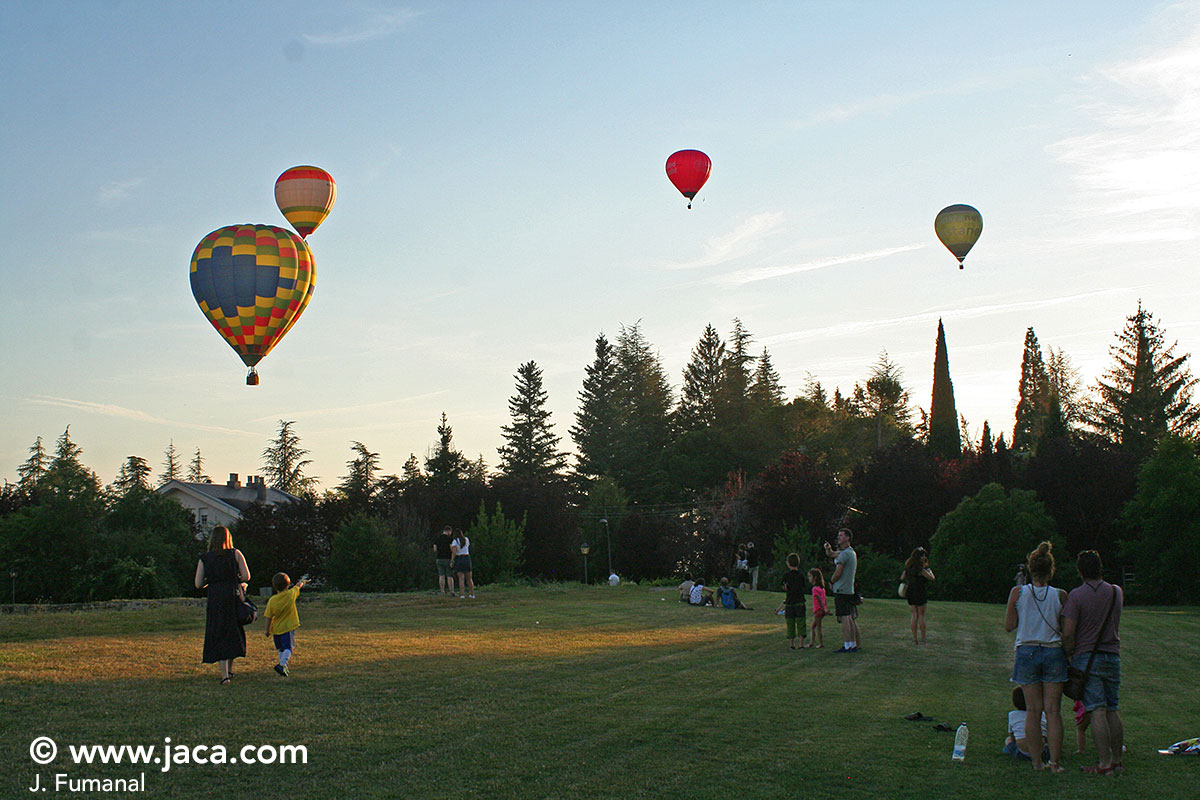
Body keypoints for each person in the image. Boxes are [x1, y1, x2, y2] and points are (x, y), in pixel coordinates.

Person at [1004, 540, 1068, 773]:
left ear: (1031, 570)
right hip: (1052, 651)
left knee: (1032, 710)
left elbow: (1009, 626)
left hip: (1027, 650)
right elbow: (1064, 629)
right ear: (1051, 570)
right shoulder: (1060, 595)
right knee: (1053, 711)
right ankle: (1055, 763)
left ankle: (1036, 762)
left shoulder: (1018, 593)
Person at [1062, 550, 1124, 776]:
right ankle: (1117, 760)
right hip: (1112, 655)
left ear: (1080, 572)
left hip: (1087, 658)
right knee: (1112, 709)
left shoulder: (1076, 596)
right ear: (1100, 567)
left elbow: (1068, 633)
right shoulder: (1116, 592)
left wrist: (1069, 654)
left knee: (1096, 710)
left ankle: (1104, 763)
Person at [194, 526, 250, 685]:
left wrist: (211, 580)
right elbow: (246, 576)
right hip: (232, 595)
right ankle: (230, 670)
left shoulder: (205, 558)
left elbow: (198, 583)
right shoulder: (235, 554)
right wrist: (236, 580)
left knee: (218, 632)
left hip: (215, 597)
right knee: (232, 631)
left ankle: (225, 674)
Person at [264, 572, 307, 677]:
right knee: (288, 648)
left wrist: (267, 630)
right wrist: (303, 581)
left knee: (281, 649)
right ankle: (282, 664)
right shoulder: (290, 594)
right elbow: (298, 586)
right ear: (287, 585)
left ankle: (283, 667)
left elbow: (268, 617)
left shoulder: (272, 600)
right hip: (287, 628)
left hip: (276, 629)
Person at [824, 528, 860, 653]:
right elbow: (832, 554)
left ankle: (847, 645)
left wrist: (831, 582)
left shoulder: (845, 554)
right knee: (849, 616)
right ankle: (853, 644)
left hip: (841, 589)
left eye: (841, 535)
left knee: (845, 617)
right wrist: (828, 548)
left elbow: (838, 571)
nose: (838, 537)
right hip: (848, 589)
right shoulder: (849, 552)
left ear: (848, 538)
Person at [1004, 686, 1051, 762]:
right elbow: (1046, 735)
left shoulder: (1012, 715)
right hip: (1042, 751)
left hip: (1022, 752)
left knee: (1008, 740)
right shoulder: (1041, 714)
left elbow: (1012, 736)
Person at [901, 547, 935, 644]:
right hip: (920, 591)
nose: (924, 557)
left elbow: (902, 577)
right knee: (921, 615)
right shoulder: (920, 569)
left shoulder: (908, 568)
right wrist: (930, 571)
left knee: (914, 615)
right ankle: (923, 639)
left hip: (911, 591)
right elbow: (931, 578)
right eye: (923, 555)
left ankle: (915, 638)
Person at [777, 554, 806, 649]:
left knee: (790, 622)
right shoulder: (801, 575)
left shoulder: (786, 575)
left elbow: (783, 586)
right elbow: (803, 587)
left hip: (789, 602)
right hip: (800, 601)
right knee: (801, 622)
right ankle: (801, 643)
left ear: (789, 564)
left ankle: (792, 644)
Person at [450, 528, 475, 599]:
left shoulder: (455, 541)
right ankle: (472, 594)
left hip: (459, 558)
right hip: (467, 558)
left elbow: (454, 552)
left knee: (461, 578)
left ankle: (462, 594)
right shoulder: (466, 539)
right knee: (469, 578)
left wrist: (452, 560)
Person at [808, 568, 827, 648]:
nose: (809, 578)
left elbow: (819, 599)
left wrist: (823, 608)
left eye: (810, 576)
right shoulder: (822, 589)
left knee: (818, 627)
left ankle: (820, 643)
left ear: (815, 578)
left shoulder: (815, 589)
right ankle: (811, 643)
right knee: (813, 626)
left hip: (818, 610)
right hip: (821, 610)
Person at [433, 525, 455, 596]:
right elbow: (452, 549)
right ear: (449, 531)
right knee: (449, 576)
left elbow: (435, 549)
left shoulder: (437, 538)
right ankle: (451, 591)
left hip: (439, 558)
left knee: (441, 575)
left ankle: (442, 591)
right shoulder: (449, 539)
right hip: (447, 558)